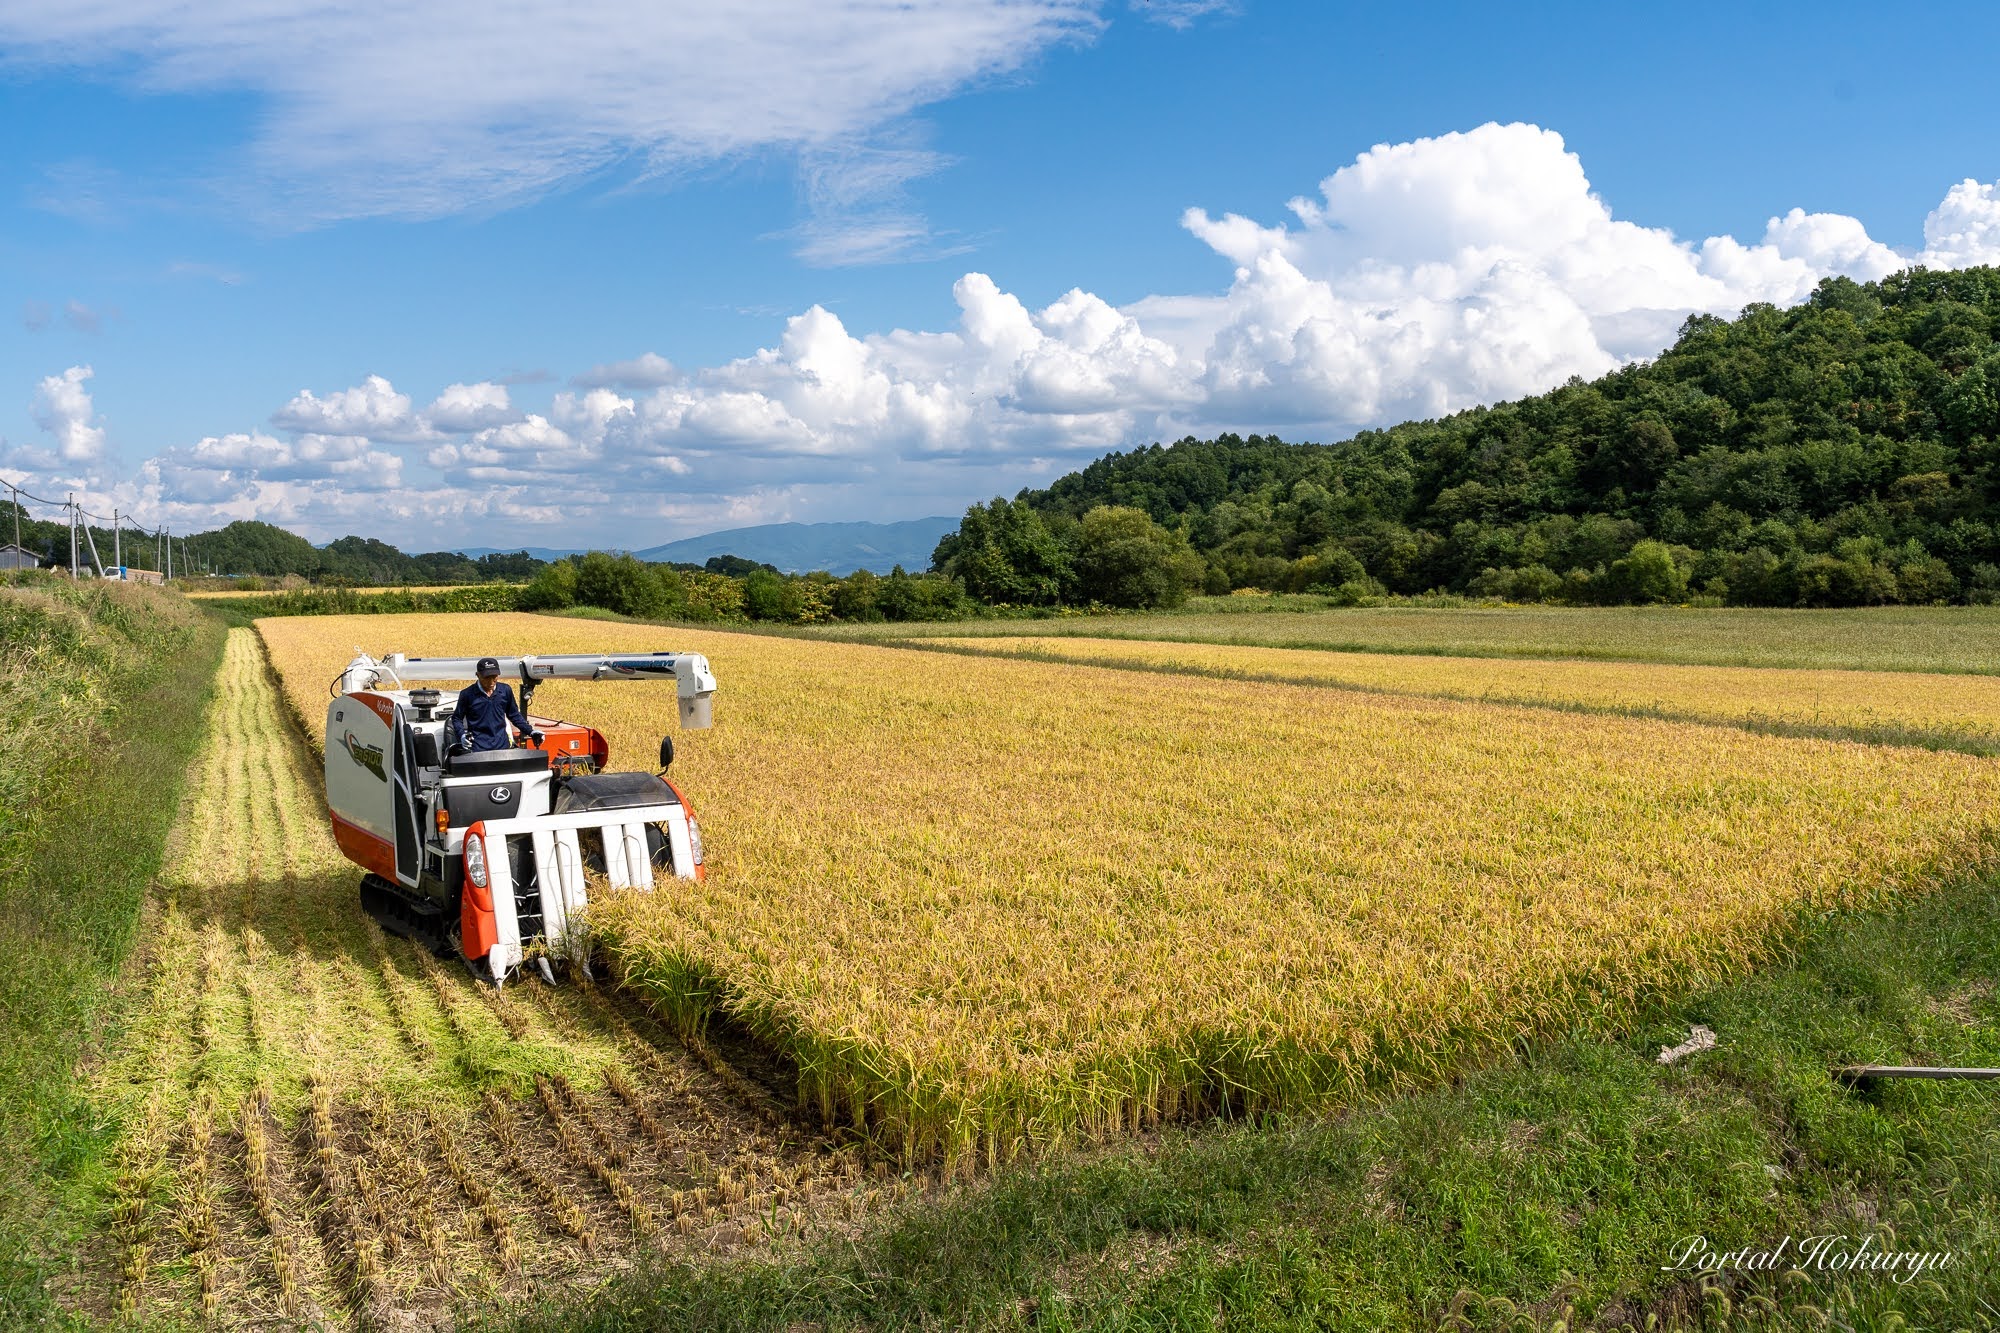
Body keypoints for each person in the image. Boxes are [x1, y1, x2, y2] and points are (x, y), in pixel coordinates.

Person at [449, 657, 542, 754]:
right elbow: (457, 718)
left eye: (494, 677)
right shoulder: (467, 694)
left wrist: (531, 732)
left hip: (502, 747)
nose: (491, 682)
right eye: (487, 678)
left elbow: (514, 715)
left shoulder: (505, 691)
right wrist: (462, 735)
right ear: (478, 675)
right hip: (478, 749)